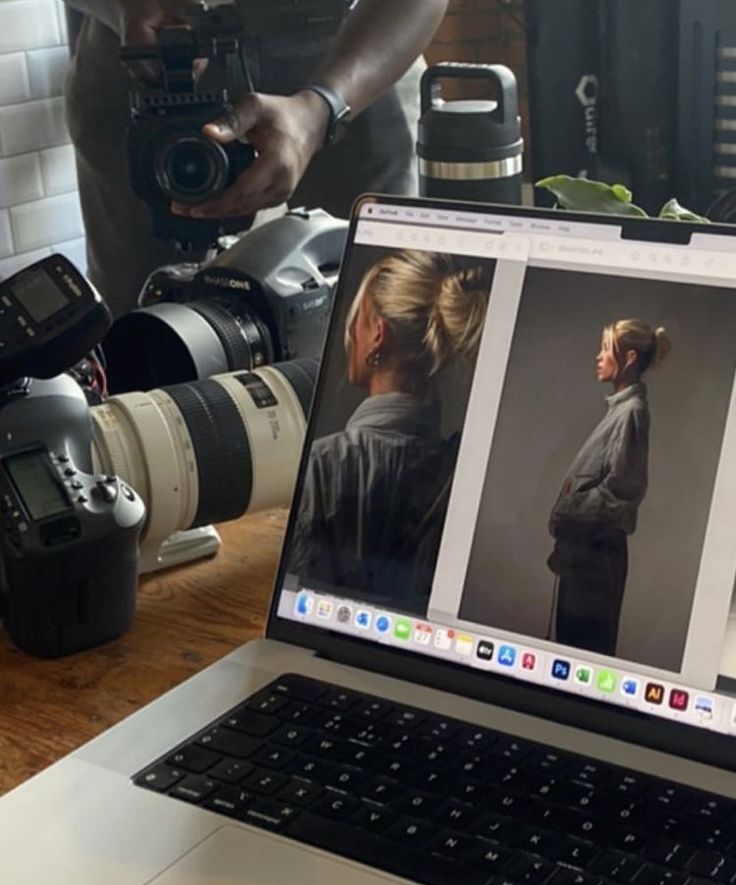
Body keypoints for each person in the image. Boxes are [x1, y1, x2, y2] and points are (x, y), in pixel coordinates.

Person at [62, 0, 449, 316]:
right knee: (146, 325)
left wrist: (322, 109)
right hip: (143, 49)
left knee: (388, 308)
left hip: (358, 48)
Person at [289, 249, 492, 611]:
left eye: (356, 321)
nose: (349, 333)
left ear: (377, 335)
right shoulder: (470, 473)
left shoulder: (320, 465)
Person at [547, 318, 672, 656]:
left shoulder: (631, 413)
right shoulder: (619, 412)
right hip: (587, 556)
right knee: (571, 653)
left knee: (581, 654)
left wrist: (566, 511)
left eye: (606, 348)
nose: (598, 357)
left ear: (629, 358)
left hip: (597, 562)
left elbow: (622, 494)